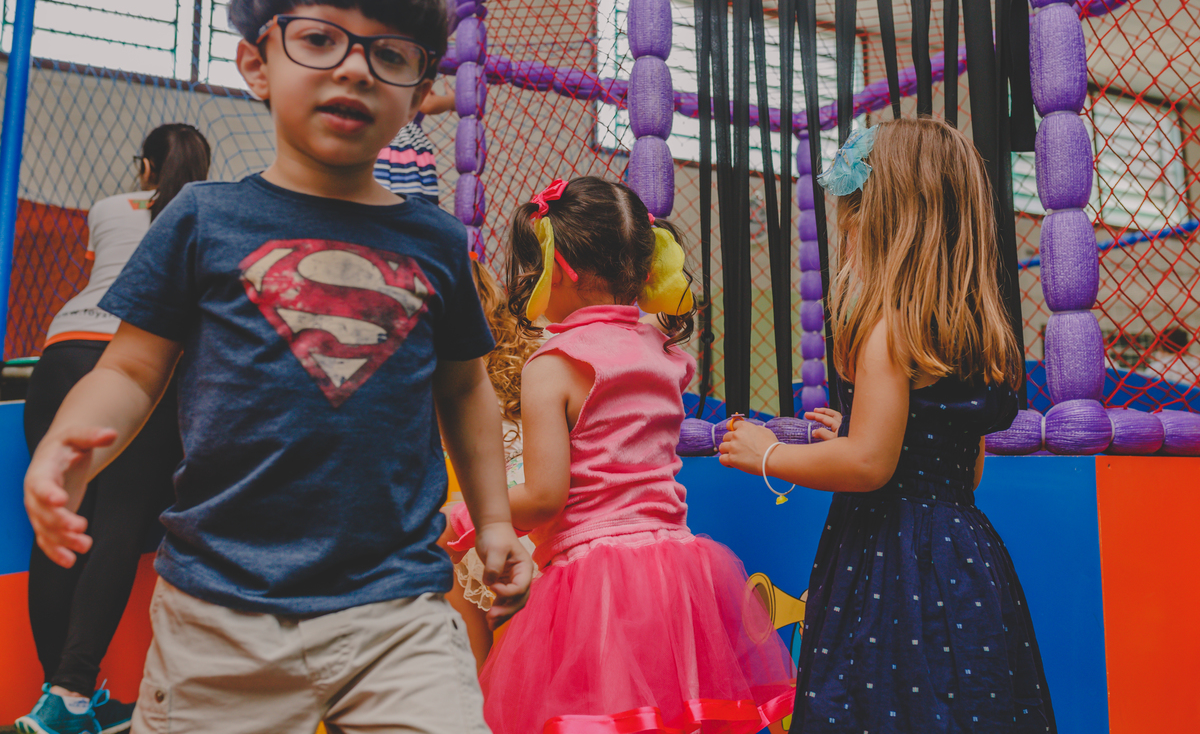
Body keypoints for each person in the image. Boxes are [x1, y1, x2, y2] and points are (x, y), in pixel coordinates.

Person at [22, 0, 532, 733]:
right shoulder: (203, 220)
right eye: (320, 39)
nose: (355, 68)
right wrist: (69, 442)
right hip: (219, 613)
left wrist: (496, 523)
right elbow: (129, 371)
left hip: (397, 609)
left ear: (419, 93)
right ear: (256, 64)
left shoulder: (436, 242)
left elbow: (465, 387)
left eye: (389, 54)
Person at [721, 119, 1055, 733]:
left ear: (882, 223)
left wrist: (768, 452)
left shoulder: (887, 331)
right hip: (964, 556)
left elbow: (869, 465)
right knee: (963, 702)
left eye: (852, 218)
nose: (846, 233)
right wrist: (862, 431)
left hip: (891, 561)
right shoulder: (970, 337)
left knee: (883, 700)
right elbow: (961, 472)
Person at [444, 176, 796, 734]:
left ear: (559, 268)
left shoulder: (553, 366)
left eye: (534, 266)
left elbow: (544, 498)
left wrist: (461, 517)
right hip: (679, 574)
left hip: (596, 584)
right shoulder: (661, 350)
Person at [16, 123, 210, 734]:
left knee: (62, 518)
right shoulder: (206, 213)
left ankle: (57, 696)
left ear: (145, 167)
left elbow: (108, 271)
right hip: (144, 358)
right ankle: (71, 691)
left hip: (64, 348)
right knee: (120, 521)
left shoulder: (107, 207)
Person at [441, 257, 542, 671]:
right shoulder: (528, 358)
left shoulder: (455, 374)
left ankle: (478, 677)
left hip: (499, 516)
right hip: (528, 516)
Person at [374, 82, 455, 203]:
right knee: (410, 202)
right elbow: (427, 104)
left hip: (381, 142)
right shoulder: (411, 76)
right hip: (402, 148)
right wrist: (452, 101)